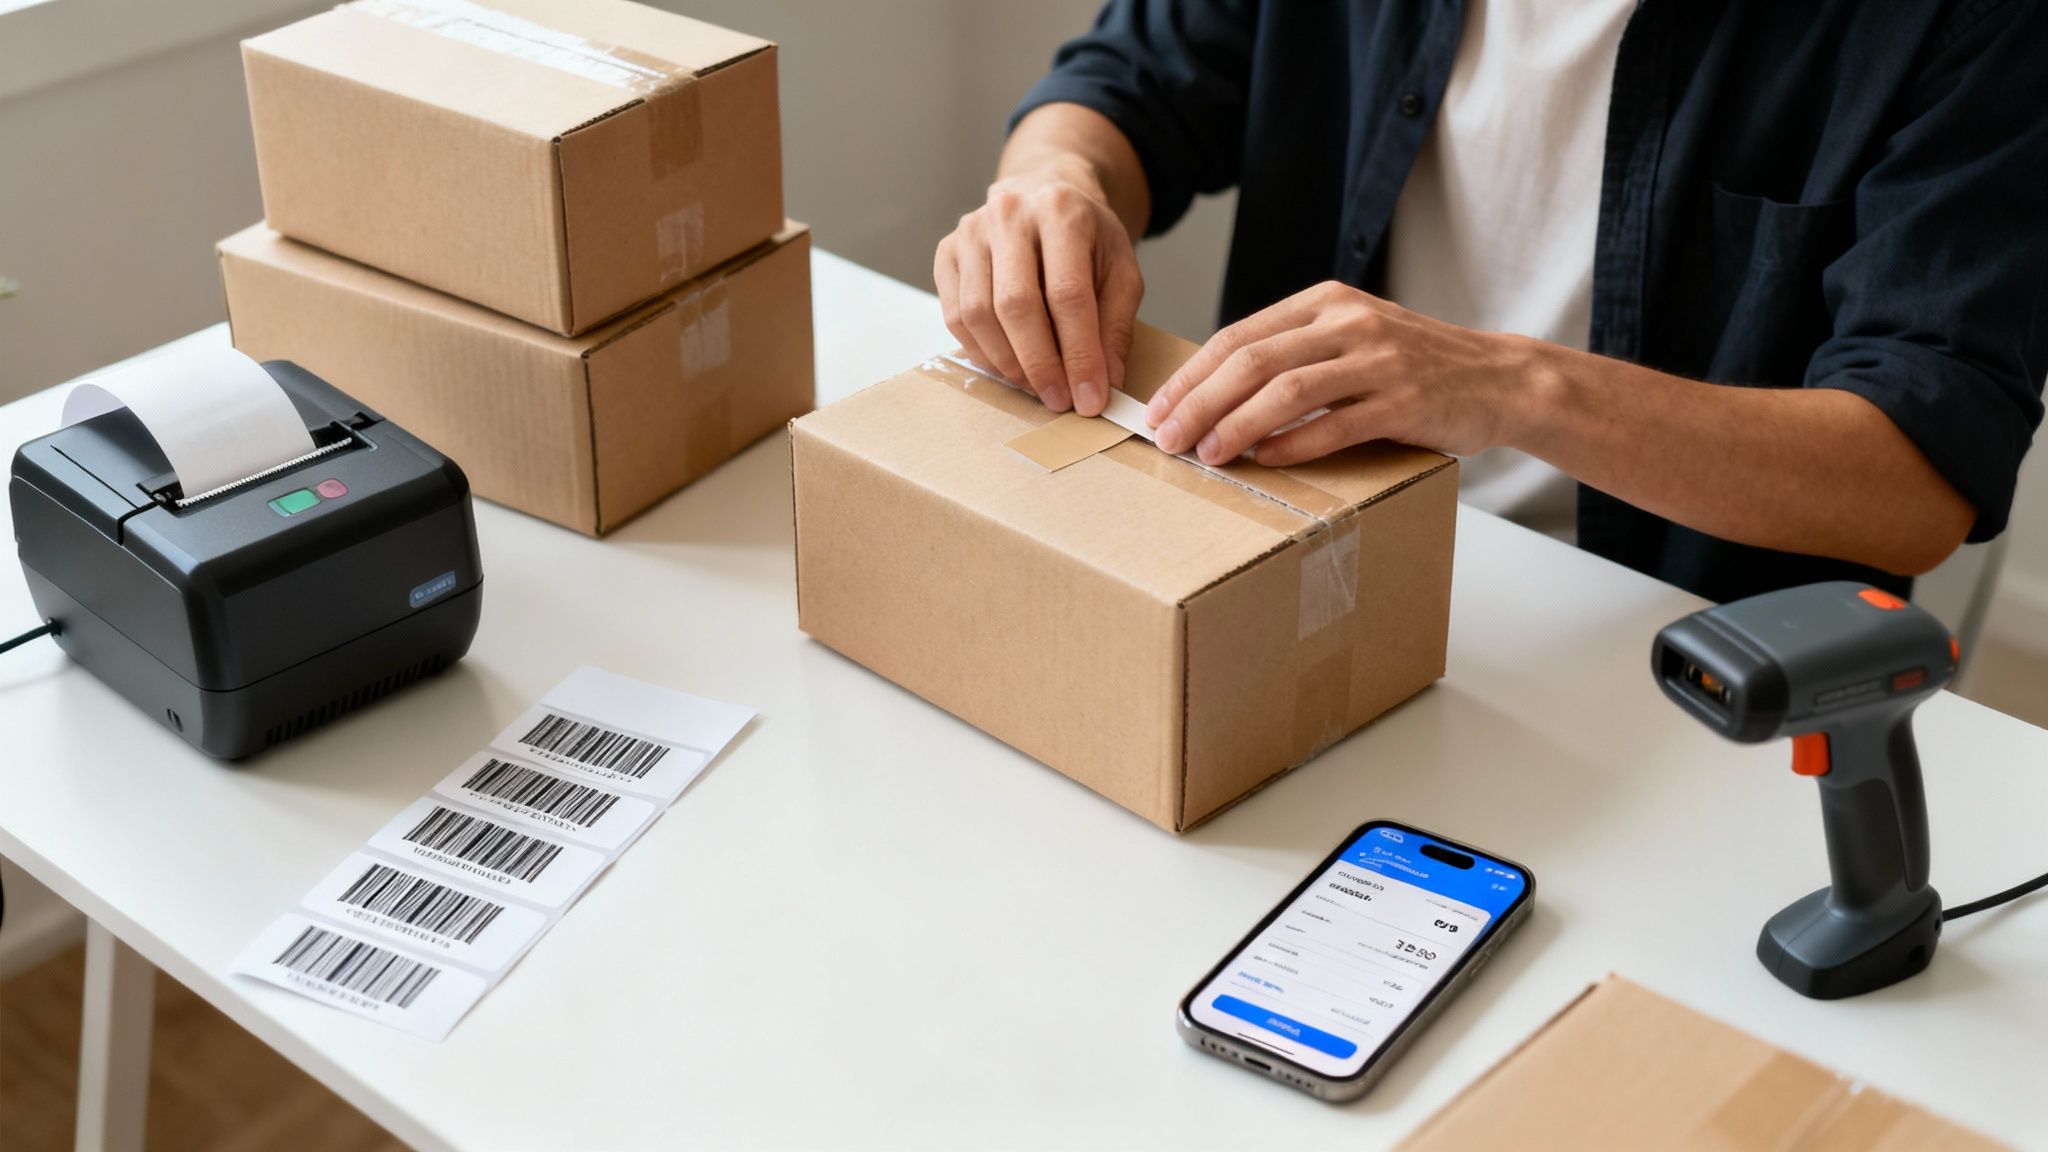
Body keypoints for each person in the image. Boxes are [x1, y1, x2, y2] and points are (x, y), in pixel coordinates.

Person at [932, 0, 2048, 602]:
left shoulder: (1970, 26)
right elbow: (1124, 80)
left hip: (1677, 646)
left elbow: (1915, 473)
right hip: (1298, 565)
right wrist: (1054, 185)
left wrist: (1513, 387)